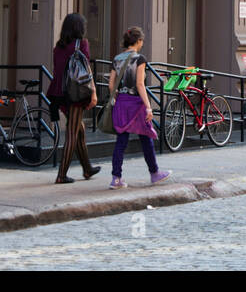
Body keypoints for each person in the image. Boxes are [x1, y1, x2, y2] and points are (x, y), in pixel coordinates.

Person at [106, 27, 169, 189]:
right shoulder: (140, 59)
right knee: (146, 137)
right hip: (136, 103)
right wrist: (148, 107)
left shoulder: (117, 59)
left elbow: (111, 84)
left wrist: (116, 96)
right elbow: (140, 84)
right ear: (138, 41)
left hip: (121, 102)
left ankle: (116, 178)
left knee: (121, 140)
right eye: (142, 41)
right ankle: (154, 173)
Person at [50, 13, 100, 184]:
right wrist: (93, 92)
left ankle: (87, 168)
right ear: (80, 27)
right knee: (72, 133)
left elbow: (57, 71)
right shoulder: (81, 44)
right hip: (76, 93)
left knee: (80, 130)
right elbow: (87, 71)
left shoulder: (58, 47)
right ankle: (61, 174)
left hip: (60, 92)